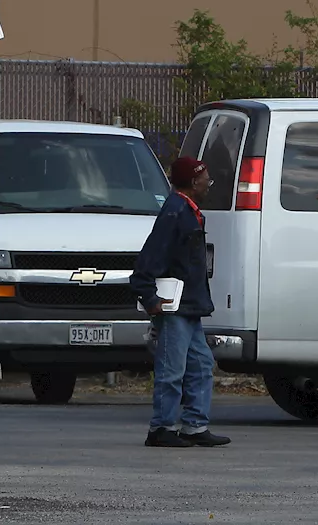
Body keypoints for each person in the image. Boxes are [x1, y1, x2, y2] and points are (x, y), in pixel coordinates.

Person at [131, 156, 230, 448]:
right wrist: (149, 296)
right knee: (171, 368)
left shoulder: (187, 210)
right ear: (192, 181)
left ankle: (195, 426)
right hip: (174, 307)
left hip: (189, 305)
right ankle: (161, 427)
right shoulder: (176, 212)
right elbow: (151, 257)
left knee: (200, 365)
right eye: (205, 178)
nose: (208, 183)